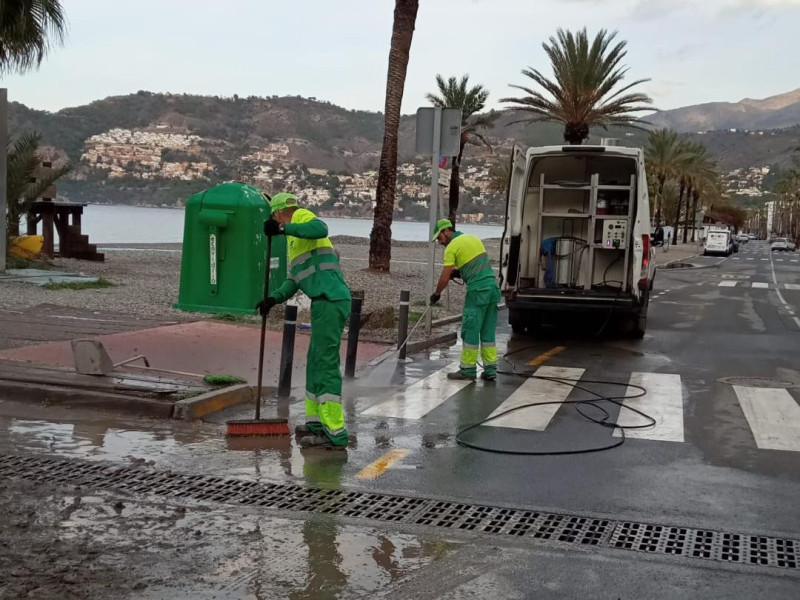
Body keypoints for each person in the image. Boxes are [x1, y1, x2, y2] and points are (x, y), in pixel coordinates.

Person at [257, 193, 351, 449]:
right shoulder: (294, 242)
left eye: (274, 217)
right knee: (314, 363)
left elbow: (320, 227)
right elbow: (294, 280)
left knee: (325, 364)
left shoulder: (300, 217)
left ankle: (336, 430)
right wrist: (272, 300)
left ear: (278, 213)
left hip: (331, 301)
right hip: (323, 303)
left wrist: (282, 227)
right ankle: (315, 423)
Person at [429, 219, 501, 381]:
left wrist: (437, 293)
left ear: (446, 231)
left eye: (439, 238)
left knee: (471, 329)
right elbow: (476, 266)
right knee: (488, 331)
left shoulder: (451, 247)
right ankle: (490, 370)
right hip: (492, 289)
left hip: (478, 292)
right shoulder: (473, 239)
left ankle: (467, 370)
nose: (440, 242)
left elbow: (444, 276)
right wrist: (460, 272)